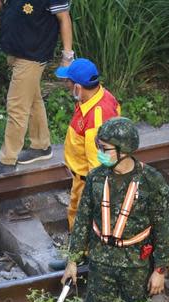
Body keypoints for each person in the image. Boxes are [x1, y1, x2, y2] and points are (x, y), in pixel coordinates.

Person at [61, 117, 169, 302]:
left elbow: (163, 228)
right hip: (100, 261)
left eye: (105, 149)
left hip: (135, 265)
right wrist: (73, 260)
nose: (100, 153)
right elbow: (83, 220)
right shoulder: (96, 177)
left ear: (124, 150)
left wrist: (160, 270)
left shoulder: (150, 181)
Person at [0, 0, 73, 176]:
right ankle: (41, 146)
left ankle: (8, 160)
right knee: (32, 99)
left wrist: (67, 54)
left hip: (33, 55)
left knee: (17, 106)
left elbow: (64, 19)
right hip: (15, 51)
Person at [56, 58, 120, 230]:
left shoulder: (96, 118)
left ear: (78, 87)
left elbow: (97, 163)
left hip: (87, 181)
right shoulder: (100, 97)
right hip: (82, 177)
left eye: (68, 82)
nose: (67, 85)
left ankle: (81, 253)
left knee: (83, 220)